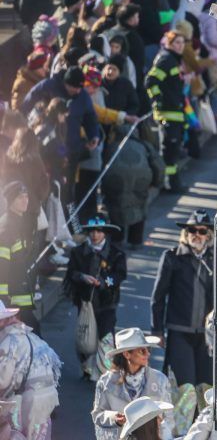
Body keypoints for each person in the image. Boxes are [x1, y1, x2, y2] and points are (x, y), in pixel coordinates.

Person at [150, 210, 214, 389]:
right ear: (186, 233)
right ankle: (181, 418)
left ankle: (201, 419)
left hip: (206, 334)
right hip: (179, 331)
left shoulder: (216, 259)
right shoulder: (172, 257)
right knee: (183, 385)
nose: (197, 235)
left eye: (202, 231)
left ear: (208, 235)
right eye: (193, 230)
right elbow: (158, 297)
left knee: (206, 386)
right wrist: (157, 330)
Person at [21, 67, 100, 204]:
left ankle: (66, 221)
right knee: (50, 192)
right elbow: (26, 106)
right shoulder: (47, 87)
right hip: (49, 155)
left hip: (70, 151)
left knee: (67, 191)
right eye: (73, 87)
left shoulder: (83, 97)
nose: (77, 91)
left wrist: (94, 135)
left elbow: (90, 117)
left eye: (80, 88)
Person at [64, 214, 127, 380]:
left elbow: (119, 275)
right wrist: (83, 277)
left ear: (105, 233)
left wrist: (103, 282)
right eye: (92, 231)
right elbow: (71, 273)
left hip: (107, 302)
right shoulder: (78, 252)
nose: (95, 235)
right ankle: (87, 368)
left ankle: (106, 372)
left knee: (106, 336)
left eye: (99, 231)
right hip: (85, 302)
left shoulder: (116, 254)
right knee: (85, 335)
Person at [92, 328, 174, 440]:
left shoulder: (160, 380)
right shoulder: (106, 382)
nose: (148, 354)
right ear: (126, 354)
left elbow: (169, 418)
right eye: (142, 351)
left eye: (148, 349)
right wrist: (115, 418)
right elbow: (97, 415)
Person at [0, 301, 61, 440]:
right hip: (47, 397)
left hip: (28, 403)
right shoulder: (27, 334)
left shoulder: (9, 341)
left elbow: (3, 381)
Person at [102, 123, 165, 249]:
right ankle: (135, 241)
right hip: (140, 182)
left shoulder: (112, 146)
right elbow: (159, 165)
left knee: (116, 208)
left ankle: (117, 239)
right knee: (139, 208)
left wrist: (103, 187)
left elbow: (103, 165)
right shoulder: (144, 145)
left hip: (115, 181)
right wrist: (157, 183)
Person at [145, 30, 186, 192]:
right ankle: (169, 184)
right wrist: (159, 100)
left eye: (182, 43)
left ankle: (174, 184)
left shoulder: (172, 59)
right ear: (168, 44)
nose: (180, 46)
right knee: (170, 151)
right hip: (167, 113)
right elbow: (150, 81)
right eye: (177, 43)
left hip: (174, 112)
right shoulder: (166, 59)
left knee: (173, 151)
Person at [0, 182, 38, 333]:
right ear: (11, 201)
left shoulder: (18, 223)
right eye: (20, 197)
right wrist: (4, 300)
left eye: (26, 196)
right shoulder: (6, 227)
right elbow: (2, 266)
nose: (25, 200)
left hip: (21, 298)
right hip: (13, 301)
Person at [1, 128, 50, 238]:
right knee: (29, 245)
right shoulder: (35, 160)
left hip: (12, 207)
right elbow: (43, 189)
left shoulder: (8, 158)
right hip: (30, 207)